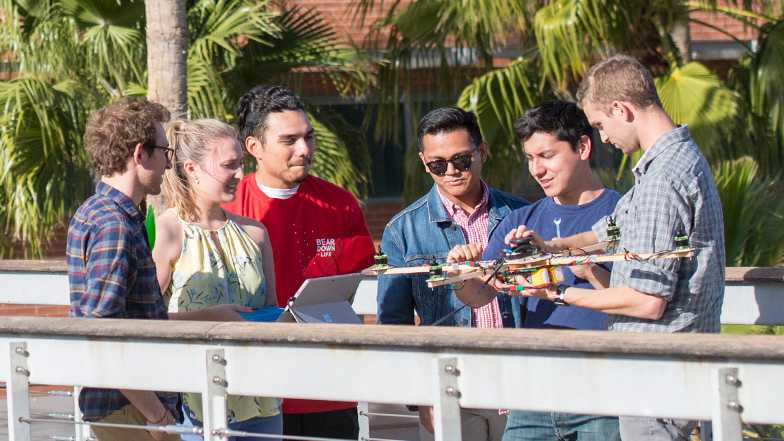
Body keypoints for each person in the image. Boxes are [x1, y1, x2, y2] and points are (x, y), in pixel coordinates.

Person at [469, 55, 725, 441]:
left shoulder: (662, 181)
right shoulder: (674, 164)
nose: (604, 137)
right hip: (664, 373)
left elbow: (646, 300)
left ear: (621, 109)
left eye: (602, 125)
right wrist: (553, 246)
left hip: (657, 376)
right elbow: (615, 228)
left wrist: (555, 291)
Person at [224, 85, 375, 439]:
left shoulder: (341, 204)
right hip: (255, 393)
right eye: (289, 140)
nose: (304, 150)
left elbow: (348, 288)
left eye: (308, 137)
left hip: (330, 388)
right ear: (254, 147)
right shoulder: (228, 210)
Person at [471, 101, 622, 440]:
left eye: (547, 156)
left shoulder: (623, 213)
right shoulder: (521, 219)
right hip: (533, 392)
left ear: (582, 147)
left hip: (602, 391)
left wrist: (586, 269)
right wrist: (463, 271)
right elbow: (478, 295)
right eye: (530, 159)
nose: (537, 170)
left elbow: (639, 302)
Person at [377, 106, 527, 441]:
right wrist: (419, 397)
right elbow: (394, 323)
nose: (451, 172)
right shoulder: (403, 229)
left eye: (461, 160)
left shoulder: (520, 213)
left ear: (481, 152)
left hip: (520, 380)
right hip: (451, 385)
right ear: (423, 162)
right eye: (437, 164)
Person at [152, 119, 282, 441]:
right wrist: (213, 318)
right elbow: (146, 320)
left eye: (241, 164)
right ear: (192, 169)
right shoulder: (169, 231)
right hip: (195, 402)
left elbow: (273, 310)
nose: (240, 174)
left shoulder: (256, 233)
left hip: (261, 399)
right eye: (229, 165)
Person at [67, 97, 180, 441]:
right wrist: (156, 413)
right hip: (131, 409)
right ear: (139, 154)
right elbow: (103, 331)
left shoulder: (98, 212)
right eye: (164, 151)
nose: (168, 164)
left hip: (129, 405)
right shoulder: (113, 225)